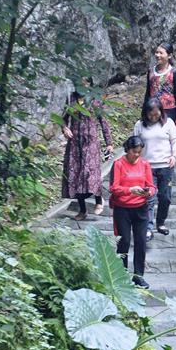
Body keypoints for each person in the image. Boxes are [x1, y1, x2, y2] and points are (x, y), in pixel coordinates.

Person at [61, 79, 114, 221]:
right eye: (80, 82)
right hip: (74, 143)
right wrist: (65, 128)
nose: (83, 85)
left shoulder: (95, 99)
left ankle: (98, 199)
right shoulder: (71, 98)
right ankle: (82, 210)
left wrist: (109, 143)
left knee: (90, 172)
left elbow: (103, 121)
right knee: (75, 174)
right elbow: (63, 119)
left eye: (86, 82)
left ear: (90, 84)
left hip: (91, 142)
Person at [109, 135, 155, 288]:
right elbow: (113, 188)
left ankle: (138, 276)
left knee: (141, 242)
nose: (137, 155)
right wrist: (130, 190)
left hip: (141, 209)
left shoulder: (145, 164)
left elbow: (152, 186)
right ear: (127, 150)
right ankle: (122, 275)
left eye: (139, 152)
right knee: (124, 242)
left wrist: (148, 192)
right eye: (134, 152)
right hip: (122, 209)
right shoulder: (118, 164)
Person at [133, 98, 176, 237]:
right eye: (151, 115)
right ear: (145, 113)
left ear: (161, 111)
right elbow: (134, 143)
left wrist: (174, 155)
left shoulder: (168, 123)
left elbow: (175, 140)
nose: (153, 117)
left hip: (166, 165)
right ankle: (148, 227)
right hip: (146, 167)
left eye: (156, 114)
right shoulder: (140, 125)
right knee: (148, 197)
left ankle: (161, 222)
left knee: (165, 197)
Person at [141, 43, 176, 129]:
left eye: (161, 53)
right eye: (156, 52)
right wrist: (144, 112)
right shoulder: (151, 71)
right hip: (152, 110)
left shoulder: (175, 72)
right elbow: (148, 92)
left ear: (169, 55)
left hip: (169, 111)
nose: (157, 55)